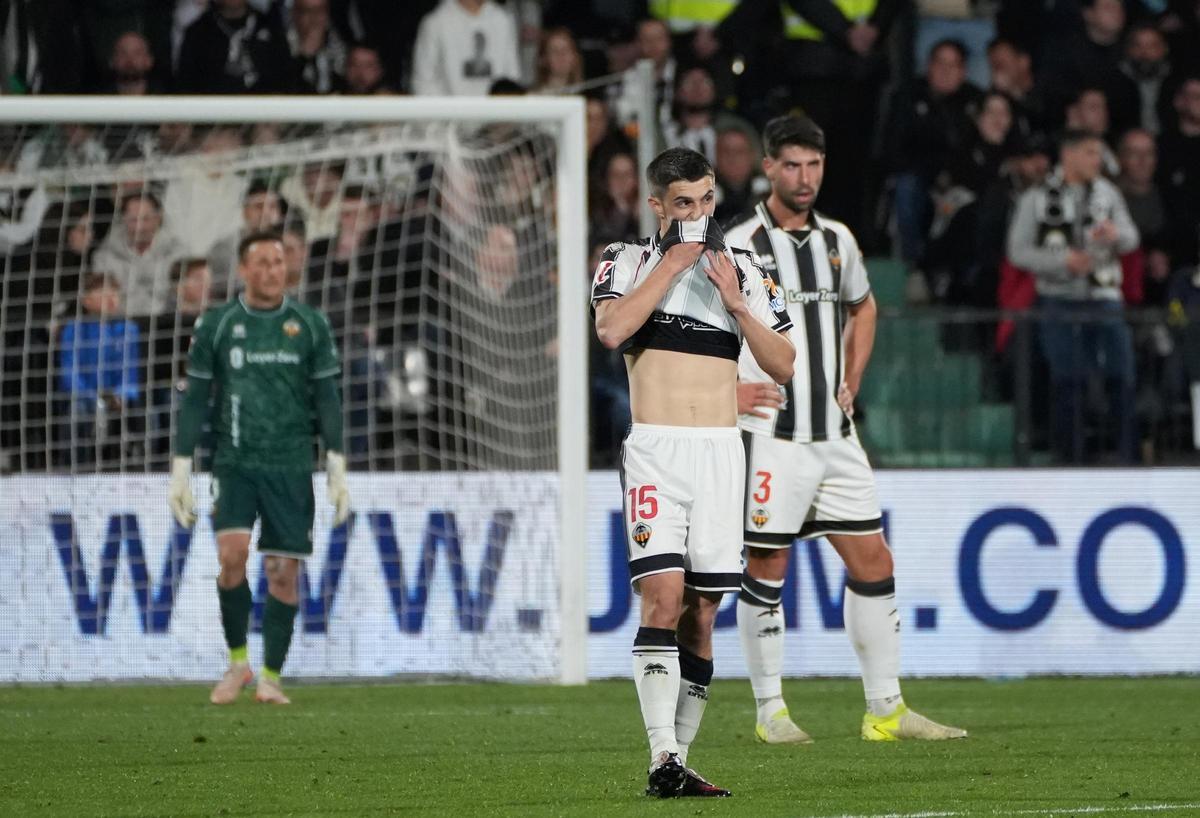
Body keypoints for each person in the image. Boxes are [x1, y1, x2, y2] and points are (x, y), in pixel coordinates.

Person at [726, 115, 968, 746]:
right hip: (770, 436)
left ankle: (885, 710)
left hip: (835, 434)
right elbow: (701, 331)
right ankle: (770, 712)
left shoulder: (838, 239)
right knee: (767, 565)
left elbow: (863, 306)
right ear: (769, 166)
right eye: (793, 165)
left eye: (815, 165)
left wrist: (851, 381)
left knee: (873, 560)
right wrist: (726, 393)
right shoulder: (740, 242)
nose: (805, 178)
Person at [592, 147, 795, 797]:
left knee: (702, 613)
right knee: (663, 597)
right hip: (656, 450)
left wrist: (737, 305)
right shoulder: (624, 261)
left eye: (707, 201)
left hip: (719, 455)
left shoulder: (744, 269)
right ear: (658, 206)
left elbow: (785, 362)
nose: (698, 213)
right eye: (683, 203)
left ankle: (679, 757)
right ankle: (661, 758)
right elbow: (612, 330)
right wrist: (675, 261)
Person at [167, 231, 351, 705]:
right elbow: (196, 400)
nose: (272, 270)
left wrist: (336, 461)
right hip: (235, 461)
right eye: (262, 263)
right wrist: (182, 466)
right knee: (232, 557)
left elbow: (327, 397)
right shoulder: (218, 324)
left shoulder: (309, 325)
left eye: (279, 261)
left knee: (282, 572)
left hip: (290, 464)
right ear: (244, 271)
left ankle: (271, 676)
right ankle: (237, 663)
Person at [1006, 129, 1140, 463]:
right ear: (1070, 155)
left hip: (1105, 297)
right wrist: (1061, 261)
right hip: (1058, 299)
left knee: (1121, 377)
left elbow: (1132, 237)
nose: (1099, 160)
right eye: (1092, 153)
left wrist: (1116, 234)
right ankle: (1070, 460)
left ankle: (1128, 458)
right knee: (1069, 382)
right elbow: (1017, 251)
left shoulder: (1108, 194)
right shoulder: (1036, 198)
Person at [411, 0, 521, 96]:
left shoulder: (503, 20)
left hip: (496, 117)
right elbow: (424, 82)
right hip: (448, 117)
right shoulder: (436, 22)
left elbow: (512, 78)